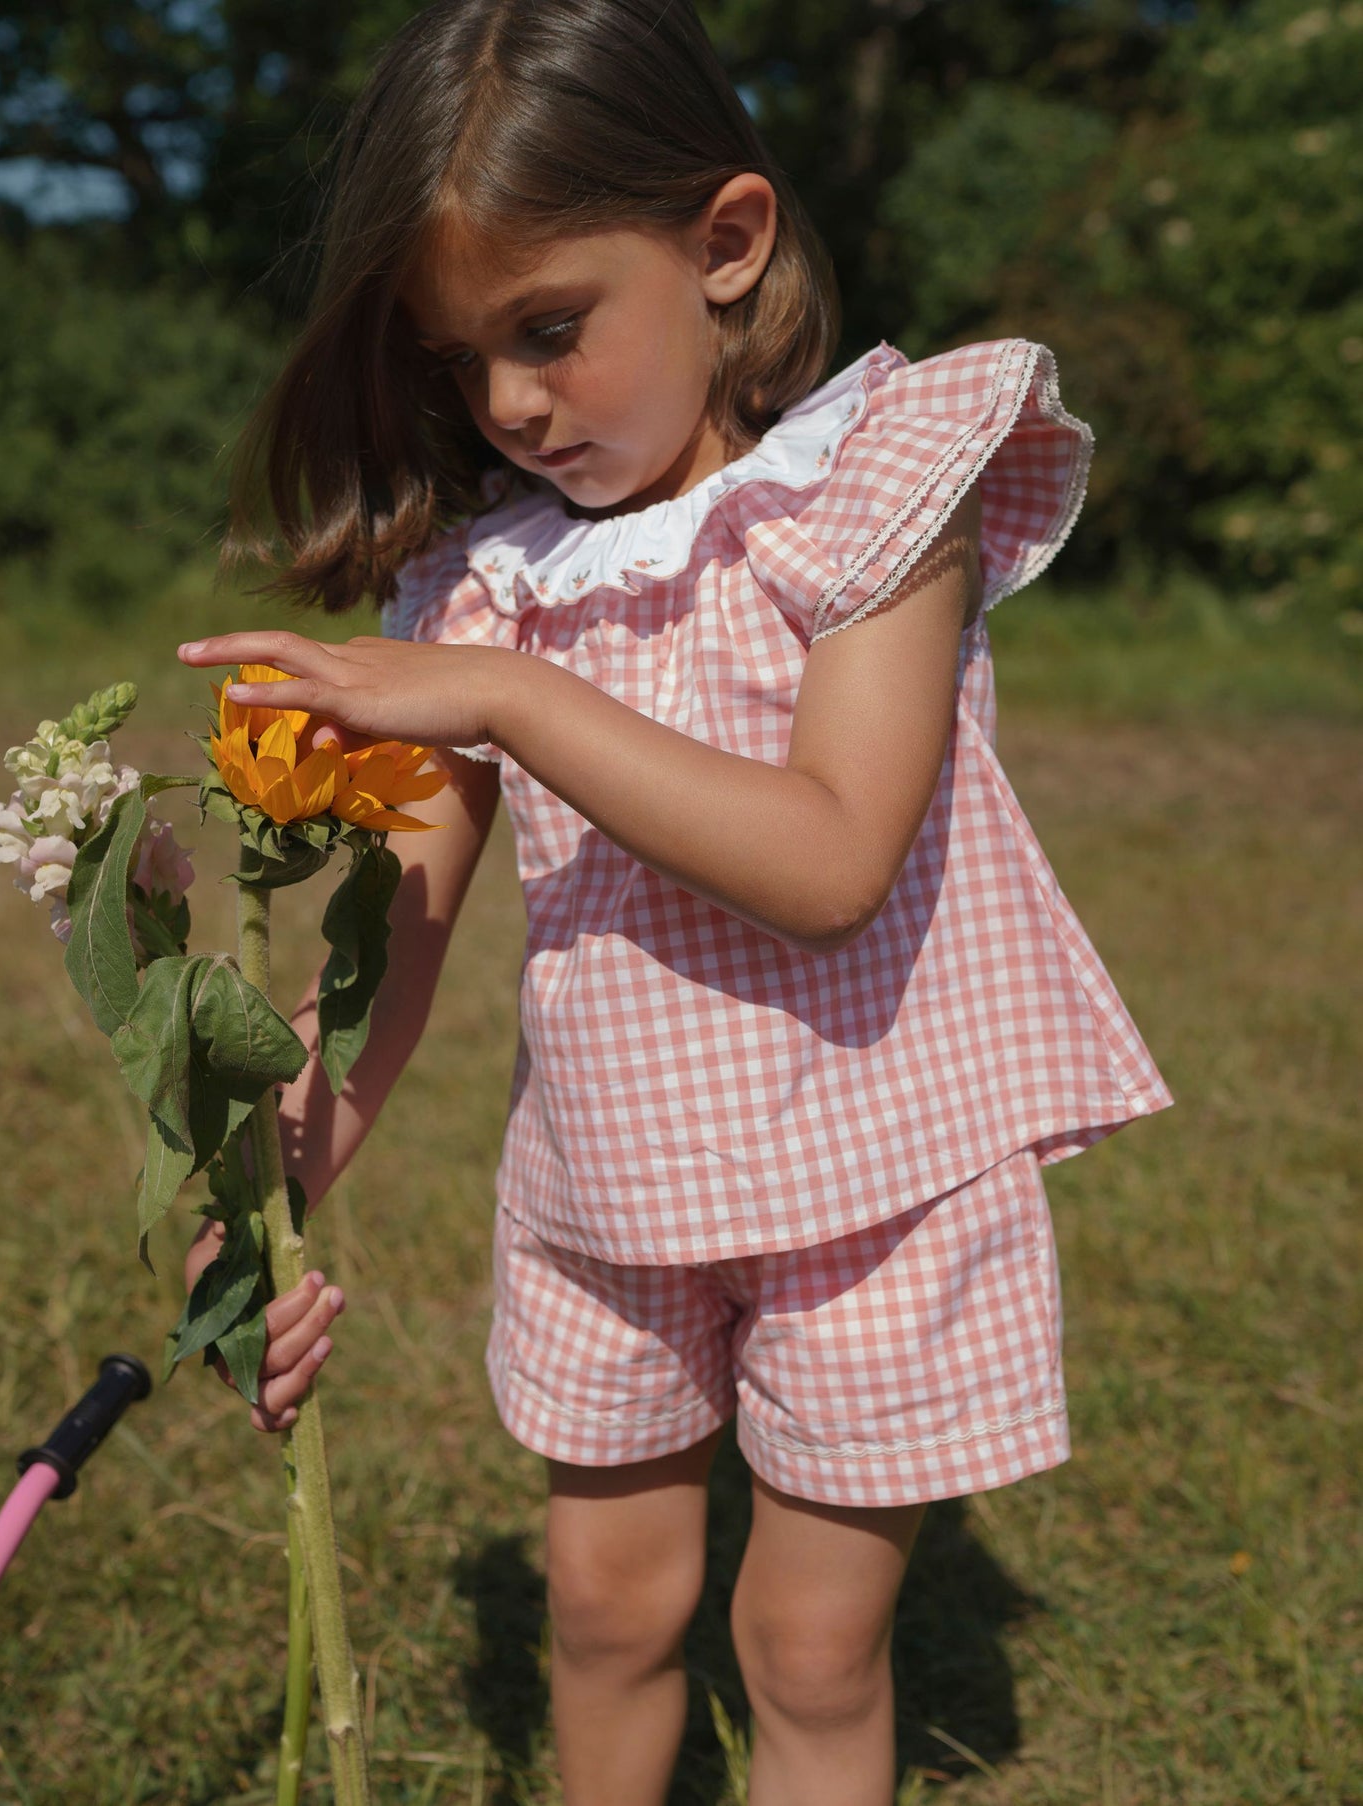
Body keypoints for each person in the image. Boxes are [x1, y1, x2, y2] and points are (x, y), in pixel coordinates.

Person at [178, 2, 1171, 1800]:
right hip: (614, 1190)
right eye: (457, 356)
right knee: (603, 1606)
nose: (504, 403)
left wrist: (513, 700)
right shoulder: (484, 587)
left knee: (807, 1643)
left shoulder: (873, 491)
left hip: (873, 1186)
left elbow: (830, 857)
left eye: (548, 328)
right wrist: (270, 1184)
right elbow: (397, 933)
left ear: (725, 241)